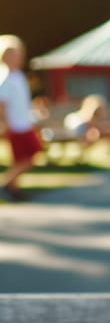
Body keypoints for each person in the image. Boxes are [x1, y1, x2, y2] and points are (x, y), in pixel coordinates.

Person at [0, 34, 44, 201]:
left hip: (24, 122)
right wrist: (5, 124)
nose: (17, 58)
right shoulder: (4, 79)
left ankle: (12, 186)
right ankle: (7, 184)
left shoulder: (19, 76)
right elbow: (1, 105)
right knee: (24, 158)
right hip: (15, 125)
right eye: (12, 54)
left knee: (29, 156)